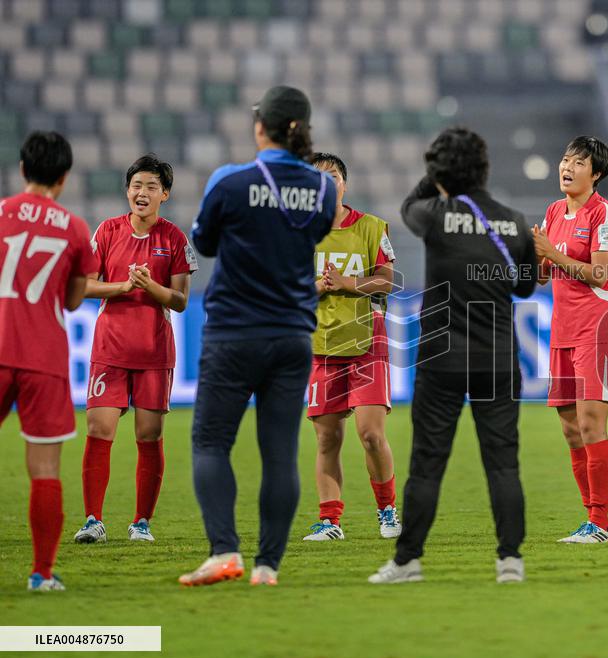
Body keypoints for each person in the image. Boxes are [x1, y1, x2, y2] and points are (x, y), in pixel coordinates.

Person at [179, 86, 336, 586]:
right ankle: (268, 566)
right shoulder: (324, 188)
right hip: (293, 332)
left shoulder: (229, 180)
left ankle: (225, 551)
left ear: (259, 126)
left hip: (233, 332)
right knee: (280, 451)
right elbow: (312, 234)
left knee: (210, 441)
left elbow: (202, 241)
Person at [369, 127, 537, 584]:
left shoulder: (435, 214)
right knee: (503, 462)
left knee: (427, 462)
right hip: (499, 360)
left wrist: (436, 177)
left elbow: (407, 206)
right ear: (484, 167)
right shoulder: (516, 222)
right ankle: (510, 561)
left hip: (441, 360)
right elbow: (525, 286)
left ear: (441, 173)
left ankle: (407, 563)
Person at [73, 154, 195, 545]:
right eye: (136, 185)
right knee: (98, 428)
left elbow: (180, 300)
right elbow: (85, 286)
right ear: (127, 191)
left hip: (155, 353)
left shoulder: (175, 238)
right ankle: (93, 519)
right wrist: (123, 287)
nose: (142, 193)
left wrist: (149, 287)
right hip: (110, 348)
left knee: (149, 434)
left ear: (166, 194)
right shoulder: (106, 232)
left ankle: (141, 522)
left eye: (151, 187)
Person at [0, 131, 98, 590]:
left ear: (22, 170)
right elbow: (76, 300)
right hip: (44, 355)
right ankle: (41, 574)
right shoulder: (75, 228)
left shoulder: (0, 214)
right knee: (45, 470)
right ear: (63, 178)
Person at [301, 152, 400, 542]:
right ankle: (330, 521)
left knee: (371, 434)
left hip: (365, 341)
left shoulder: (373, 228)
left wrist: (347, 283)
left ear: (345, 184)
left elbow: (388, 281)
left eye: (333, 177)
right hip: (320, 343)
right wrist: (319, 286)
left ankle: (388, 511)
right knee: (327, 438)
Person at [532, 136, 608, 544]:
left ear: (596, 173)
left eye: (578, 162)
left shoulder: (604, 214)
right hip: (562, 330)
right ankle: (593, 519)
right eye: (565, 159)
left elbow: (600, 274)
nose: (567, 167)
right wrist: (537, 258)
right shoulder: (554, 211)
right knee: (570, 429)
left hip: (595, 330)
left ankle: (600, 523)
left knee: (591, 424)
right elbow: (543, 276)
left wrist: (552, 250)